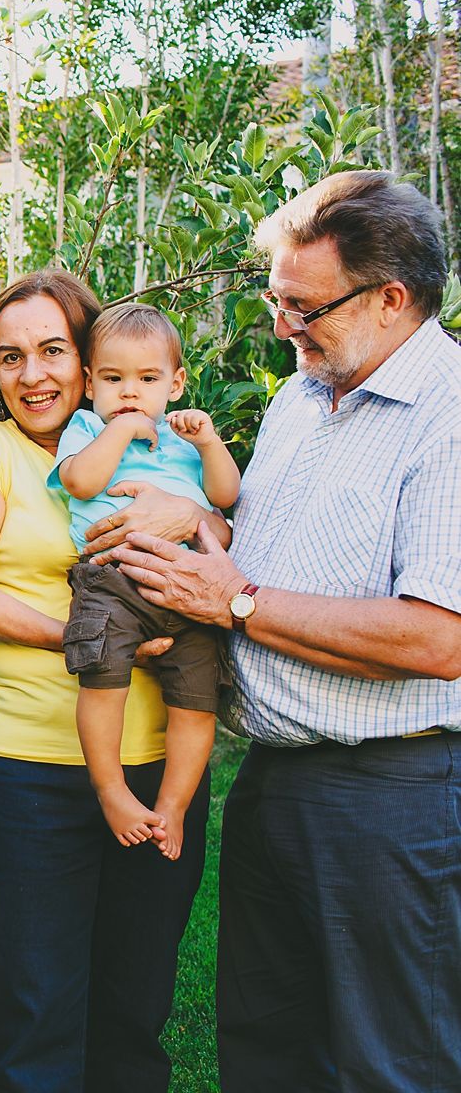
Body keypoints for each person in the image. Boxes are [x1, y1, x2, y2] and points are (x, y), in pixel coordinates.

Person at [102, 171, 461, 1092]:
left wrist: (241, 603)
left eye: (303, 305)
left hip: (392, 790)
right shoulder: (307, 394)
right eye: (275, 298)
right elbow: (259, 546)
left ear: (391, 299)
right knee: (265, 1048)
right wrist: (201, 525)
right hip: (273, 779)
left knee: (389, 1058)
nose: (280, 326)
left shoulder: (449, 418)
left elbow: (438, 636)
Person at [0, 270, 232, 1092]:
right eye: (10, 357)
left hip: (161, 761)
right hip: (30, 772)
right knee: (34, 1018)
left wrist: (195, 516)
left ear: (91, 358)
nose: (33, 375)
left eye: (53, 350)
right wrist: (100, 640)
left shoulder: (158, 439)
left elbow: (221, 516)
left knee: (134, 1013)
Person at [48, 303, 239, 860]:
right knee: (103, 680)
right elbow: (81, 482)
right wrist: (125, 428)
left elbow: (225, 498)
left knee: (196, 702)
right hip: (111, 580)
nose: (129, 392)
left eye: (147, 379)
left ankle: (174, 805)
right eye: (113, 379)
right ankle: (111, 790)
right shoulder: (85, 430)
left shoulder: (185, 443)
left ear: (176, 383)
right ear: (89, 384)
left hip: (188, 585)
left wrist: (208, 443)